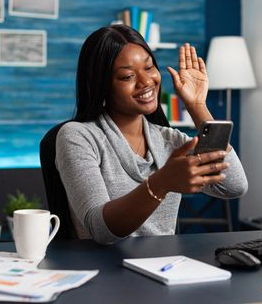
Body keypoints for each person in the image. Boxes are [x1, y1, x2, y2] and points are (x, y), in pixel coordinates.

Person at [56, 24, 248, 244]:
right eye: (127, 76)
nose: (146, 81)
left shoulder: (170, 141)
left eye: (149, 68)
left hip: (163, 267)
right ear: (101, 85)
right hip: (105, 271)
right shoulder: (77, 136)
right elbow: (100, 230)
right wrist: (160, 183)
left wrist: (197, 105)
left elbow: (234, 186)